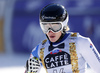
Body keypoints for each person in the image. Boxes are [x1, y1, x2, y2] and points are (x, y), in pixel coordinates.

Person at [25, 3, 100, 73]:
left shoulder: (81, 43)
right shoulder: (39, 50)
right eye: (46, 27)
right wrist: (29, 71)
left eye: (55, 26)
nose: (50, 31)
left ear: (64, 25)